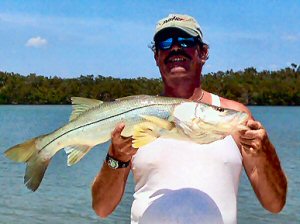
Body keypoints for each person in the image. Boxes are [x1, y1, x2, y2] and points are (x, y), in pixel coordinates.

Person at [91, 14, 287, 224]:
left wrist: (265, 151)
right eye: (165, 43)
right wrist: (116, 156)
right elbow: (102, 208)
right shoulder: (137, 115)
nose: (175, 48)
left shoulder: (235, 115)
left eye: (185, 41)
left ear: (203, 52)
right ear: (156, 56)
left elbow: (275, 204)